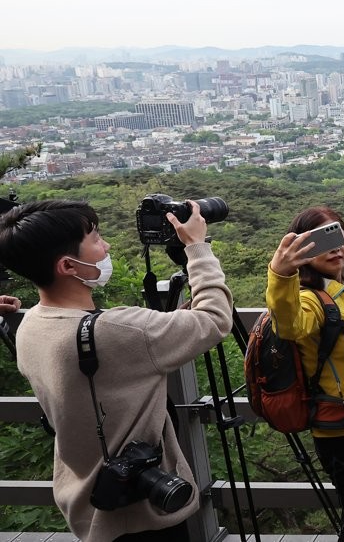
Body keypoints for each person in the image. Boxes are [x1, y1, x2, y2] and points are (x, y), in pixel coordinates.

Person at [0, 199, 232, 542]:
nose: (106, 246)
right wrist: (197, 247)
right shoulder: (118, 330)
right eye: (95, 238)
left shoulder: (29, 325)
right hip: (145, 509)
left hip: (89, 501)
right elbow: (215, 319)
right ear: (67, 264)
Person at [266, 206, 344, 542]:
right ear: (302, 252)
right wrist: (280, 274)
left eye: (336, 236)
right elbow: (290, 325)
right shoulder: (310, 299)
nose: (334, 248)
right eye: (320, 242)